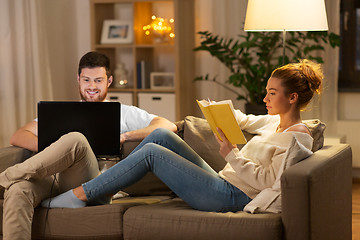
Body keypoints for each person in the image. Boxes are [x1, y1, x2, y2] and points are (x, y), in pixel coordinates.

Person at [40, 59, 322, 214]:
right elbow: (244, 119)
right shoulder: (274, 121)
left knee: (153, 154)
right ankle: (102, 194)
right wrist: (217, 111)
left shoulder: (297, 139)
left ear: (293, 97)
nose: (265, 97)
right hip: (222, 180)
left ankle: (80, 194)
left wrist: (232, 154)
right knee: (161, 136)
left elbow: (267, 182)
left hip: (233, 197)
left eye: (272, 93)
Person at [1, 51, 177, 240]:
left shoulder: (124, 113)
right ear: (78, 79)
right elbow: (18, 136)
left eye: (98, 80)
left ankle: (3, 178)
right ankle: (9, 181)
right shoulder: (63, 113)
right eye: (86, 80)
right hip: (53, 179)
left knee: (76, 139)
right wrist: (57, 148)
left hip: (91, 183)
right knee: (19, 190)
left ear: (109, 81)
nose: (92, 86)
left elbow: (168, 126)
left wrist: (125, 136)